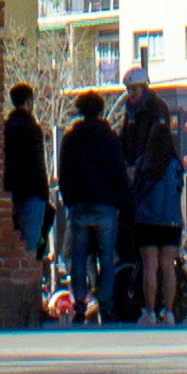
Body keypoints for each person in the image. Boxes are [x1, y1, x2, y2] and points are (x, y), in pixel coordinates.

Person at [56, 90, 129, 328]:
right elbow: (119, 173)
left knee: (78, 257)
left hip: (79, 205)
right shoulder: (110, 138)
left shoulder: (70, 138)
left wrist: (69, 201)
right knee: (106, 258)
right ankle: (105, 306)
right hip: (106, 205)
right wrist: (121, 200)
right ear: (100, 110)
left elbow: (64, 174)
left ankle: (79, 304)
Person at [122, 84, 187, 325]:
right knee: (168, 266)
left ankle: (150, 311)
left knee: (150, 266)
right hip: (171, 220)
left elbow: (136, 190)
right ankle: (169, 312)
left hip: (147, 219)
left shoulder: (143, 163)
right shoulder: (176, 165)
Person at [0, 85, 51, 316]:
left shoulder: (5, 128)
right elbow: (39, 166)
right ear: (29, 102)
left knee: (11, 250)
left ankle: (10, 303)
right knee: (31, 251)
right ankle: (31, 306)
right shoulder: (33, 129)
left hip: (10, 193)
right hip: (32, 195)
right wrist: (45, 194)